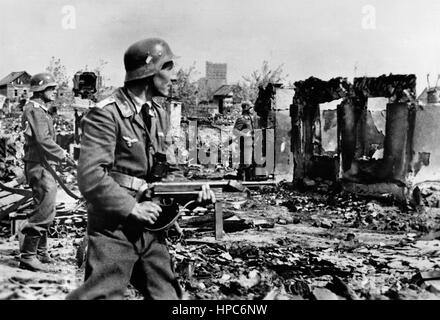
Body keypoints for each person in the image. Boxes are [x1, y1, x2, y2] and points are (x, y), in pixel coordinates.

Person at [66, 38, 214, 300]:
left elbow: (163, 170)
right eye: (168, 68)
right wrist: (132, 207)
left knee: (168, 297)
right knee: (101, 296)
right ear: (149, 72)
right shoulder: (106, 114)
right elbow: (90, 176)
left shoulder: (158, 113)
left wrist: (192, 192)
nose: (173, 77)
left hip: (151, 227)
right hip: (115, 227)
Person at [20, 73, 75, 271]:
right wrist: (62, 154)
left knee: (47, 207)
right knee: (43, 208)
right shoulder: (35, 110)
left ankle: (41, 252)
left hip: (43, 164)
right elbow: (43, 140)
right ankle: (28, 256)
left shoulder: (41, 110)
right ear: (41, 90)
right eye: (51, 89)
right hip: (39, 165)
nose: (54, 92)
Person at [233, 101, 256, 180]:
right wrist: (245, 135)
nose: (251, 109)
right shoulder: (241, 119)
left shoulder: (251, 118)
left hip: (252, 143)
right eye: (250, 108)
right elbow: (235, 131)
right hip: (245, 143)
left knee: (250, 163)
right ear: (246, 108)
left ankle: (248, 181)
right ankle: (241, 179)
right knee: (246, 163)